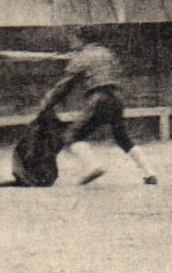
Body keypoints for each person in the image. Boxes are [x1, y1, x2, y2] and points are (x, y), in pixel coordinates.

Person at [57, 34, 159, 185]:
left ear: (81, 40)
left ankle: (92, 166)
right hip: (117, 97)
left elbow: (65, 84)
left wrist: (50, 102)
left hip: (98, 99)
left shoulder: (81, 57)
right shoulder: (106, 52)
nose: (71, 44)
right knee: (122, 136)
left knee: (72, 135)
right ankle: (149, 173)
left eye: (73, 40)